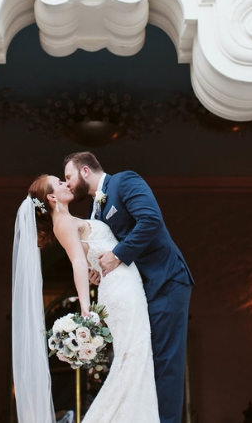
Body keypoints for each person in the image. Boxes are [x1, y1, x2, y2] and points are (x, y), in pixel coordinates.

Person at [63, 152, 194, 423]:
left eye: (68, 176)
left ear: (85, 170)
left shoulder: (125, 181)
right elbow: (107, 251)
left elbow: (150, 220)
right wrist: (100, 271)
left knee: (165, 361)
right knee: (144, 360)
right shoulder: (93, 211)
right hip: (139, 290)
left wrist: (118, 254)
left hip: (166, 281)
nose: (67, 184)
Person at [16, 174, 159, 423]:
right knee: (134, 356)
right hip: (121, 289)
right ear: (51, 197)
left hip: (120, 284)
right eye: (59, 183)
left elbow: (88, 257)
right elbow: (78, 263)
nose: (66, 184)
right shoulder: (62, 223)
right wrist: (85, 307)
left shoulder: (69, 220)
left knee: (135, 356)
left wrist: (95, 267)